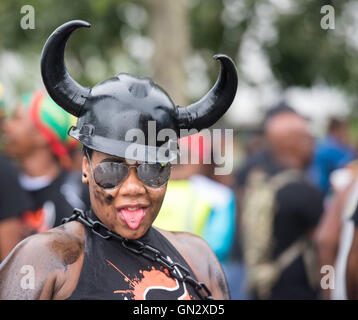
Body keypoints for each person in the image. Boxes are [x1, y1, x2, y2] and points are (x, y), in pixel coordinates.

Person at [0, 20, 238, 300]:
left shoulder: (198, 258)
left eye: (153, 170)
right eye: (113, 169)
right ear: (86, 166)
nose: (134, 187)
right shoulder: (45, 259)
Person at [239, 109, 324, 299]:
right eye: (309, 139)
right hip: (297, 292)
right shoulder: (305, 192)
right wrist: (330, 286)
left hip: (262, 286)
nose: (313, 146)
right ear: (294, 143)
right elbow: (325, 243)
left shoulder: (259, 181)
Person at [1, 90, 88, 237]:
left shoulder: (77, 193)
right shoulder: (6, 181)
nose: (6, 126)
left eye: (16, 118)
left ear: (43, 135)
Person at [0, 83, 33, 261]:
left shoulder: (5, 171)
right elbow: (9, 262)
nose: (7, 127)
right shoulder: (5, 171)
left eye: (16, 119)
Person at [309, 118, 356, 196]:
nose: (346, 133)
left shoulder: (322, 143)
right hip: (326, 191)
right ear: (337, 130)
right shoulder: (331, 148)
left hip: (318, 187)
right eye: (344, 130)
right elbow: (349, 166)